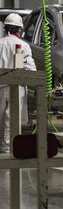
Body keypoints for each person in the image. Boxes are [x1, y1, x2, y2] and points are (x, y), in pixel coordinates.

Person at [0, 13, 36, 153]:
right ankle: (9, 149)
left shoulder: (0, 43)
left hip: (1, 87)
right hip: (17, 87)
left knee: (1, 118)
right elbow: (31, 70)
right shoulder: (23, 45)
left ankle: (3, 147)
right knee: (12, 119)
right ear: (19, 30)